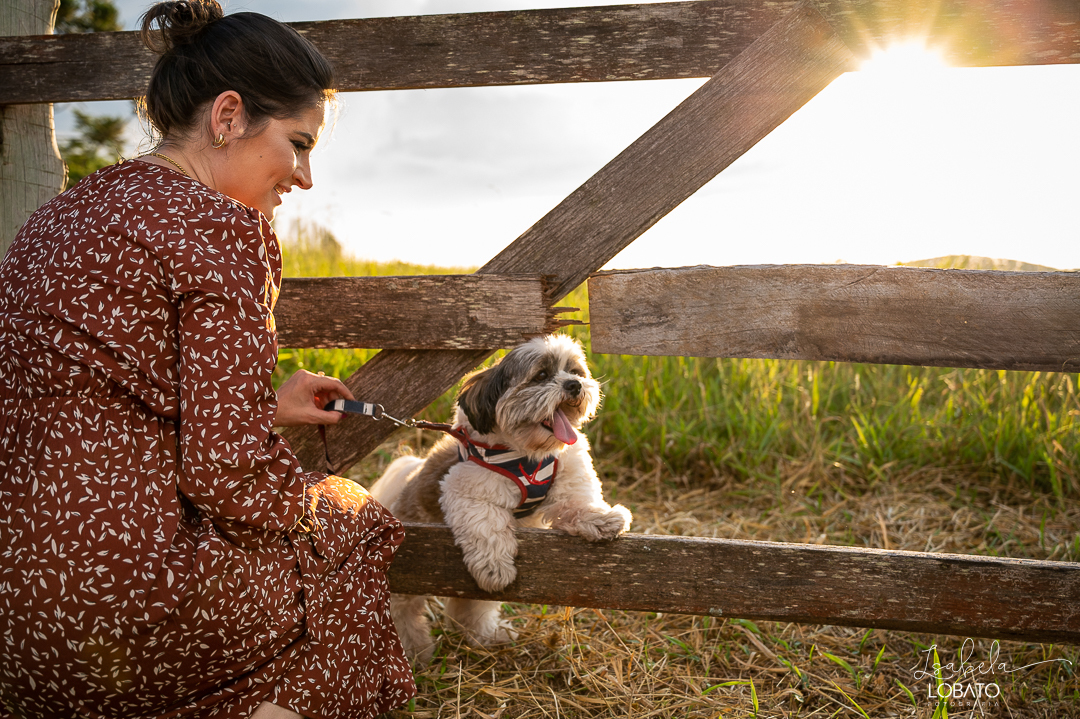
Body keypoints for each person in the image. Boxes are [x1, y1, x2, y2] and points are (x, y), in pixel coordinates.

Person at [0, 1, 416, 717]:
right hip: (122, 607)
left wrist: (260, 404)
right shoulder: (223, 226)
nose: (305, 177)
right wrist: (307, 502)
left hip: (16, 625)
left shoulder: (60, 216)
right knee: (354, 522)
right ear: (228, 116)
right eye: (299, 142)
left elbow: (105, 385)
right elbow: (229, 474)